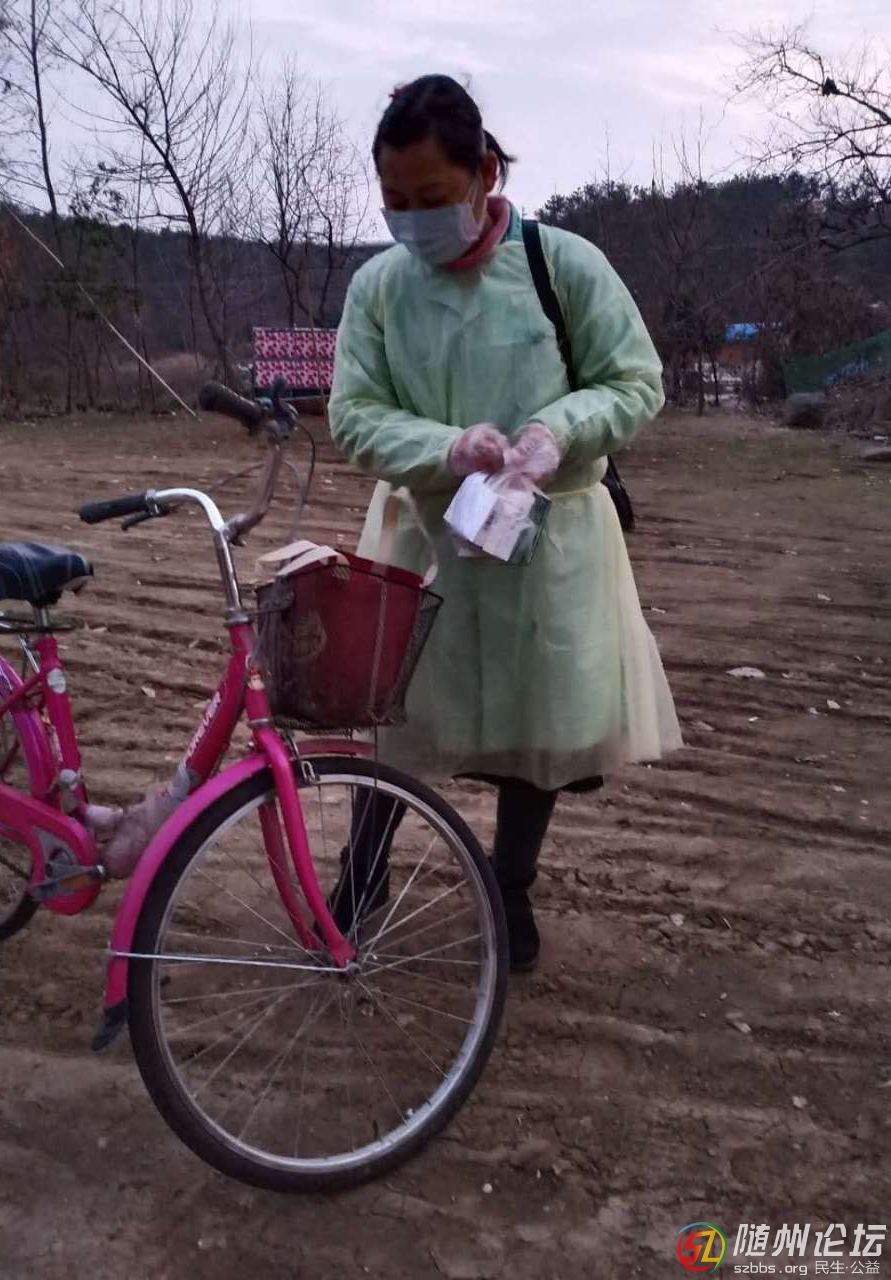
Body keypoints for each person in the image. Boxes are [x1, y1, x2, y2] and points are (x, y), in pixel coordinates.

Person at [327, 74, 682, 971]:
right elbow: (354, 416)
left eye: (432, 197)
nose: (413, 220)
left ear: (485, 172)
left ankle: (508, 887)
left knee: (540, 723)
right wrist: (446, 448)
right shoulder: (379, 288)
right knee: (397, 716)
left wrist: (556, 430)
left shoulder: (563, 266)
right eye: (396, 201)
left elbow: (635, 382)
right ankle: (360, 877)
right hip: (424, 534)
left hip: (548, 541)